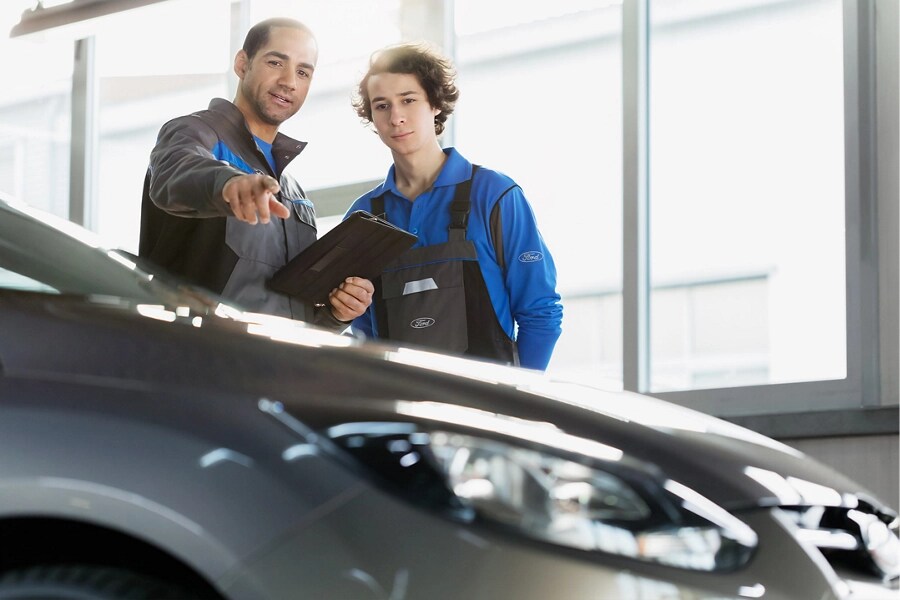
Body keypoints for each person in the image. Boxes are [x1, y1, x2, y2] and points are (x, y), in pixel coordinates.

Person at [139, 17, 372, 329]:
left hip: (279, 368)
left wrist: (335, 314)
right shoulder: (196, 133)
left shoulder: (293, 192)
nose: (289, 81)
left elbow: (295, 316)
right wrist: (229, 183)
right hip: (198, 362)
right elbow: (175, 171)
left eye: (303, 72)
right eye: (276, 62)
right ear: (242, 64)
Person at [344, 43, 563, 370]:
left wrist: (519, 400)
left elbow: (541, 312)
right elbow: (363, 331)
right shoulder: (364, 216)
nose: (397, 117)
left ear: (434, 103)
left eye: (408, 100)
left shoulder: (494, 194)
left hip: (487, 409)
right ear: (372, 118)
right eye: (382, 106)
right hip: (401, 412)